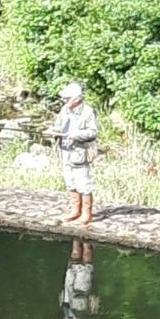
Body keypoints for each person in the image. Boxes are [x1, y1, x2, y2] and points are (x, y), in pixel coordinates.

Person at [48, 81, 97, 225]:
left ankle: (86, 214)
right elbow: (58, 126)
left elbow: (92, 132)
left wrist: (75, 135)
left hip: (80, 152)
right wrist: (53, 131)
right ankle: (75, 210)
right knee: (70, 181)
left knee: (83, 183)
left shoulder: (88, 111)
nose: (64, 101)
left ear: (77, 99)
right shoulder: (64, 110)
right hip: (65, 151)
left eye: (67, 98)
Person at [51, 239, 101, 319]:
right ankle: (86, 237)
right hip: (82, 296)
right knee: (85, 265)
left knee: (73, 264)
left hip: (68, 298)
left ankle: (76, 236)